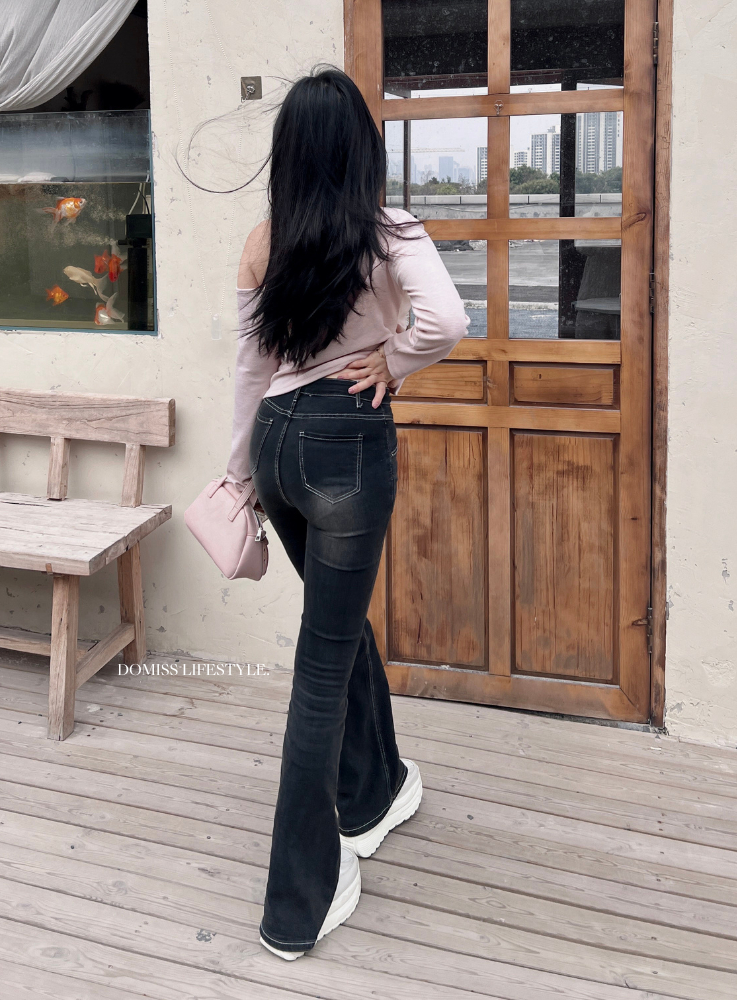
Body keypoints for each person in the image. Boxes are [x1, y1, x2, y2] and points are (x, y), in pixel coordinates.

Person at [226, 66, 469, 960]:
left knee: (337, 625)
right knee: (323, 663)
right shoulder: (387, 229)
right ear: (360, 148)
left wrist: (240, 474)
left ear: (289, 154)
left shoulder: (263, 241)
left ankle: (374, 792)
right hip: (346, 447)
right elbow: (447, 320)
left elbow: (250, 372)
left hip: (277, 445)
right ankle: (300, 899)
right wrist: (393, 363)